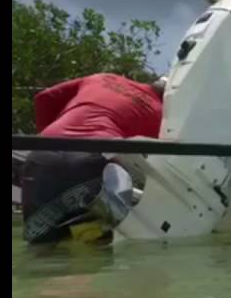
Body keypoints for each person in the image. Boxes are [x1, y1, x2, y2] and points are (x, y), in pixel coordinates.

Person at [20, 73, 165, 244]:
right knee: (89, 246)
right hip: (91, 162)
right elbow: (152, 162)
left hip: (41, 156)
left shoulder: (103, 78)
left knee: (39, 242)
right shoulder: (159, 112)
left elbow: (43, 98)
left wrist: (48, 140)